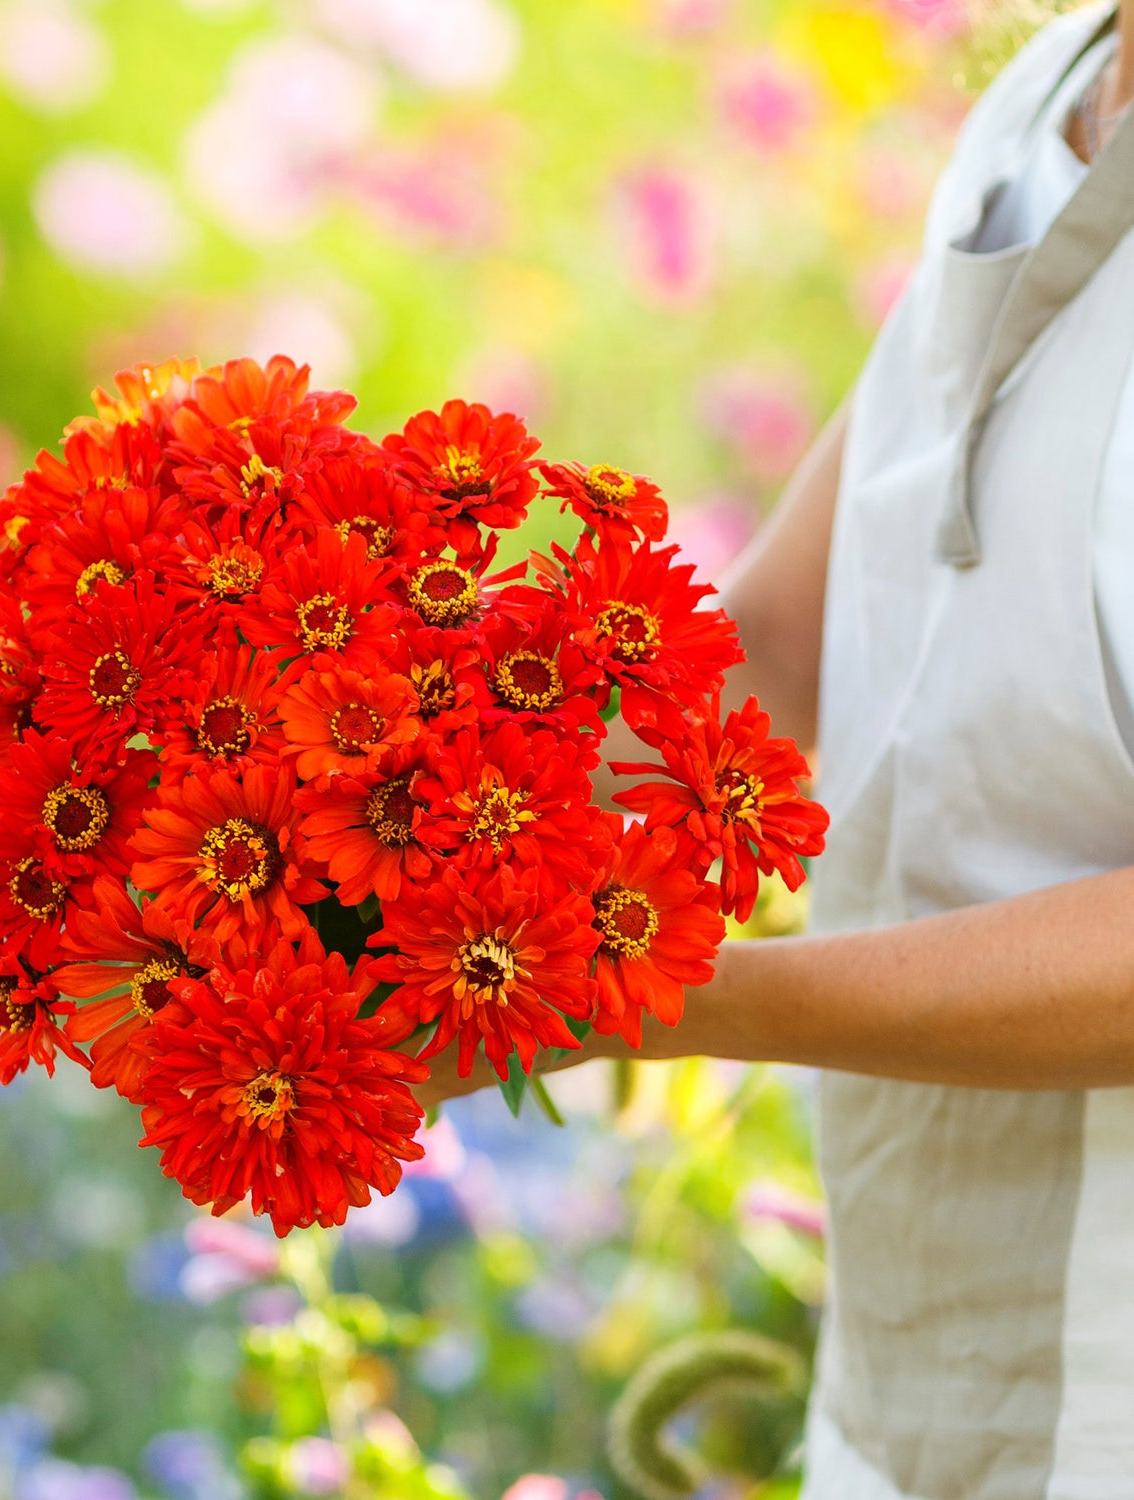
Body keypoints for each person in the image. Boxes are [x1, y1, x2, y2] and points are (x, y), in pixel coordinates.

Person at [421, 4, 1134, 1496]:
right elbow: (787, 638)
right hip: (923, 1372)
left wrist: (644, 987)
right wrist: (361, 813)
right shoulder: (1053, 97)